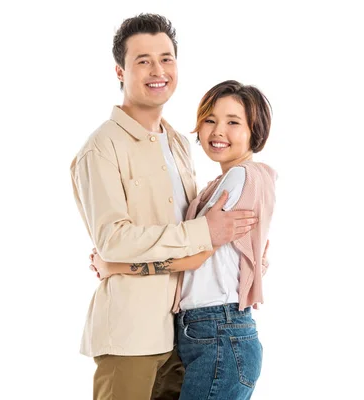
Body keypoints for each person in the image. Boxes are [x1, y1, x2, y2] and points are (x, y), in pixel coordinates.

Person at [70, 13, 259, 400]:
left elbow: (188, 243)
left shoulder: (175, 142)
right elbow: (114, 239)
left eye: (166, 58)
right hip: (129, 337)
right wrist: (206, 232)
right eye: (143, 61)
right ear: (120, 71)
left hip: (183, 334)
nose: (158, 70)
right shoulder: (101, 148)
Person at [90, 79, 276, 400]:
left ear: (254, 131)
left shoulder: (242, 176)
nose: (218, 131)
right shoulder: (219, 183)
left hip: (219, 331)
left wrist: (115, 265)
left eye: (233, 122)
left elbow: (195, 256)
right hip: (211, 331)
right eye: (210, 120)